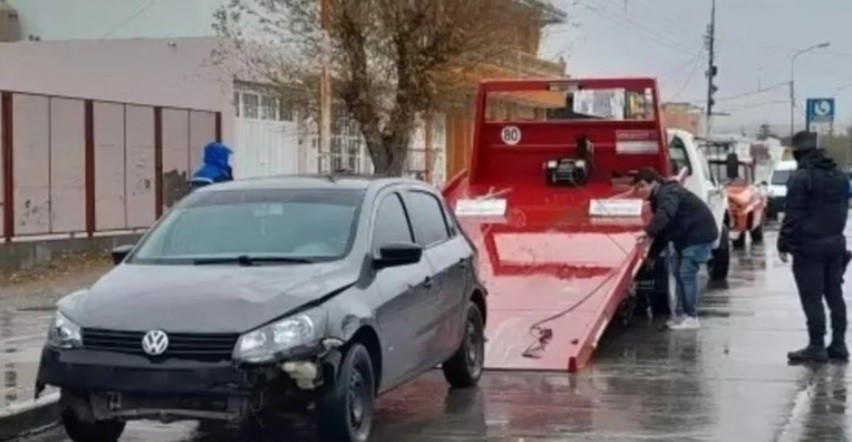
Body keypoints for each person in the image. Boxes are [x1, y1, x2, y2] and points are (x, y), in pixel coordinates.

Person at [778, 131, 850, 363]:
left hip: (809, 246)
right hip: (836, 243)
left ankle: (816, 346)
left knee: (812, 297)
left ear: (800, 153)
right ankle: (839, 344)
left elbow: (793, 214)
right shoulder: (840, 176)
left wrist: (784, 242)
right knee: (835, 295)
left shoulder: (801, 177)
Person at [634, 167, 719, 330]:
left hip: (699, 235)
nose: (640, 191)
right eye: (637, 187)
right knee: (677, 271)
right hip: (687, 237)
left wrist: (647, 231)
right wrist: (652, 254)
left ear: (653, 183)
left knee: (686, 273)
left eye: (642, 186)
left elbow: (665, 214)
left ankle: (691, 318)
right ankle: (685, 315)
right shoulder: (658, 197)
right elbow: (664, 230)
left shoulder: (668, 192)